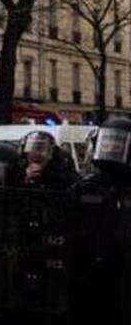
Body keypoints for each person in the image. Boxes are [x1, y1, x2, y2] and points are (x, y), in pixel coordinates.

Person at [70, 116, 131, 319]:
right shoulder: (86, 186)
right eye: (108, 142)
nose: (112, 147)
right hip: (87, 266)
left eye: (118, 143)